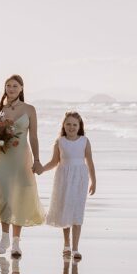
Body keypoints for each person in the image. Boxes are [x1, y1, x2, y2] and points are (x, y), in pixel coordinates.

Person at [0, 75, 45, 257]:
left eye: (15, 86)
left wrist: (36, 160)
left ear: (21, 88)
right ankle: (4, 239)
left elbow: (33, 137)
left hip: (22, 158)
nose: (11, 89)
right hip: (4, 158)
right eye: (8, 86)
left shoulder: (29, 109)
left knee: (19, 196)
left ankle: (16, 243)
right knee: (4, 196)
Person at [41, 111, 97, 261]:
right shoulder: (60, 141)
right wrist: (41, 169)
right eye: (68, 124)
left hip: (80, 179)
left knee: (77, 211)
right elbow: (54, 162)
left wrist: (94, 181)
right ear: (63, 126)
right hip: (63, 178)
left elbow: (90, 162)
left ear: (79, 126)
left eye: (74, 125)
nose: (71, 127)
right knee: (65, 209)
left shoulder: (84, 141)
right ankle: (66, 244)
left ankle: (76, 248)